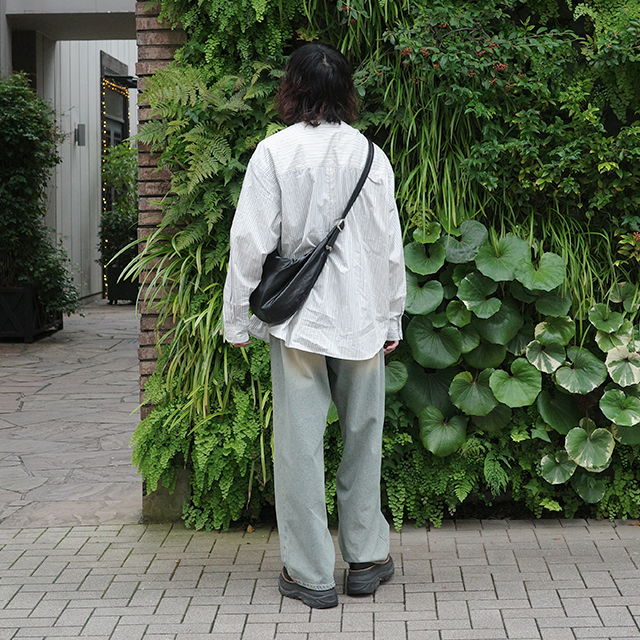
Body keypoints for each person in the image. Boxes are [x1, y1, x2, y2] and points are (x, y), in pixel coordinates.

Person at [222, 42, 406, 609]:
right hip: (362, 319)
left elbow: (249, 242)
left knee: (299, 447)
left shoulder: (273, 154)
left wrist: (236, 318)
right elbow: (389, 246)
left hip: (299, 321)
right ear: (345, 90)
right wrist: (392, 315)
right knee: (363, 438)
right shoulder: (372, 156)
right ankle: (366, 559)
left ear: (293, 89)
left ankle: (310, 575)